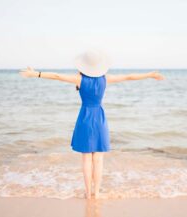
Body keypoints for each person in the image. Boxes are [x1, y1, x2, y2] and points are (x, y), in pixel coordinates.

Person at [19, 49, 165, 199]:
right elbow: (128, 76)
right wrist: (150, 75)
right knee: (98, 159)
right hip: (99, 118)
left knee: (86, 159)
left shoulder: (79, 79)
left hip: (85, 118)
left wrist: (36, 74)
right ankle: (97, 193)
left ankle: (88, 194)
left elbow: (57, 76)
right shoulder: (105, 79)